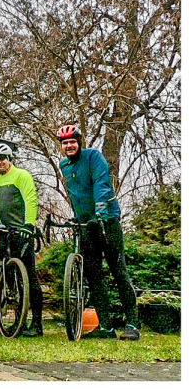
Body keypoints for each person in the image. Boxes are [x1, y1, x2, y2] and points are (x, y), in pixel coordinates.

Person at [57, 124, 140, 341]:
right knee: (93, 275)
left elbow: (101, 184)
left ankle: (133, 324)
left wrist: (101, 213)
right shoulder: (64, 165)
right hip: (87, 224)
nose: (69, 145)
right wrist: (78, 218)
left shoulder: (93, 157)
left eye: (72, 141)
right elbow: (76, 195)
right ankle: (106, 326)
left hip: (106, 220)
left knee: (118, 270)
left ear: (79, 142)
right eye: (65, 143)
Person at [0, 142, 43, 337]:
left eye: (2, 158)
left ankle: (37, 323)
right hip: (4, 233)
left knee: (28, 276)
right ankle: (18, 321)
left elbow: (30, 200)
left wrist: (29, 225)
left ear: (10, 158)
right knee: (10, 278)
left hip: (21, 232)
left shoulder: (21, 175)